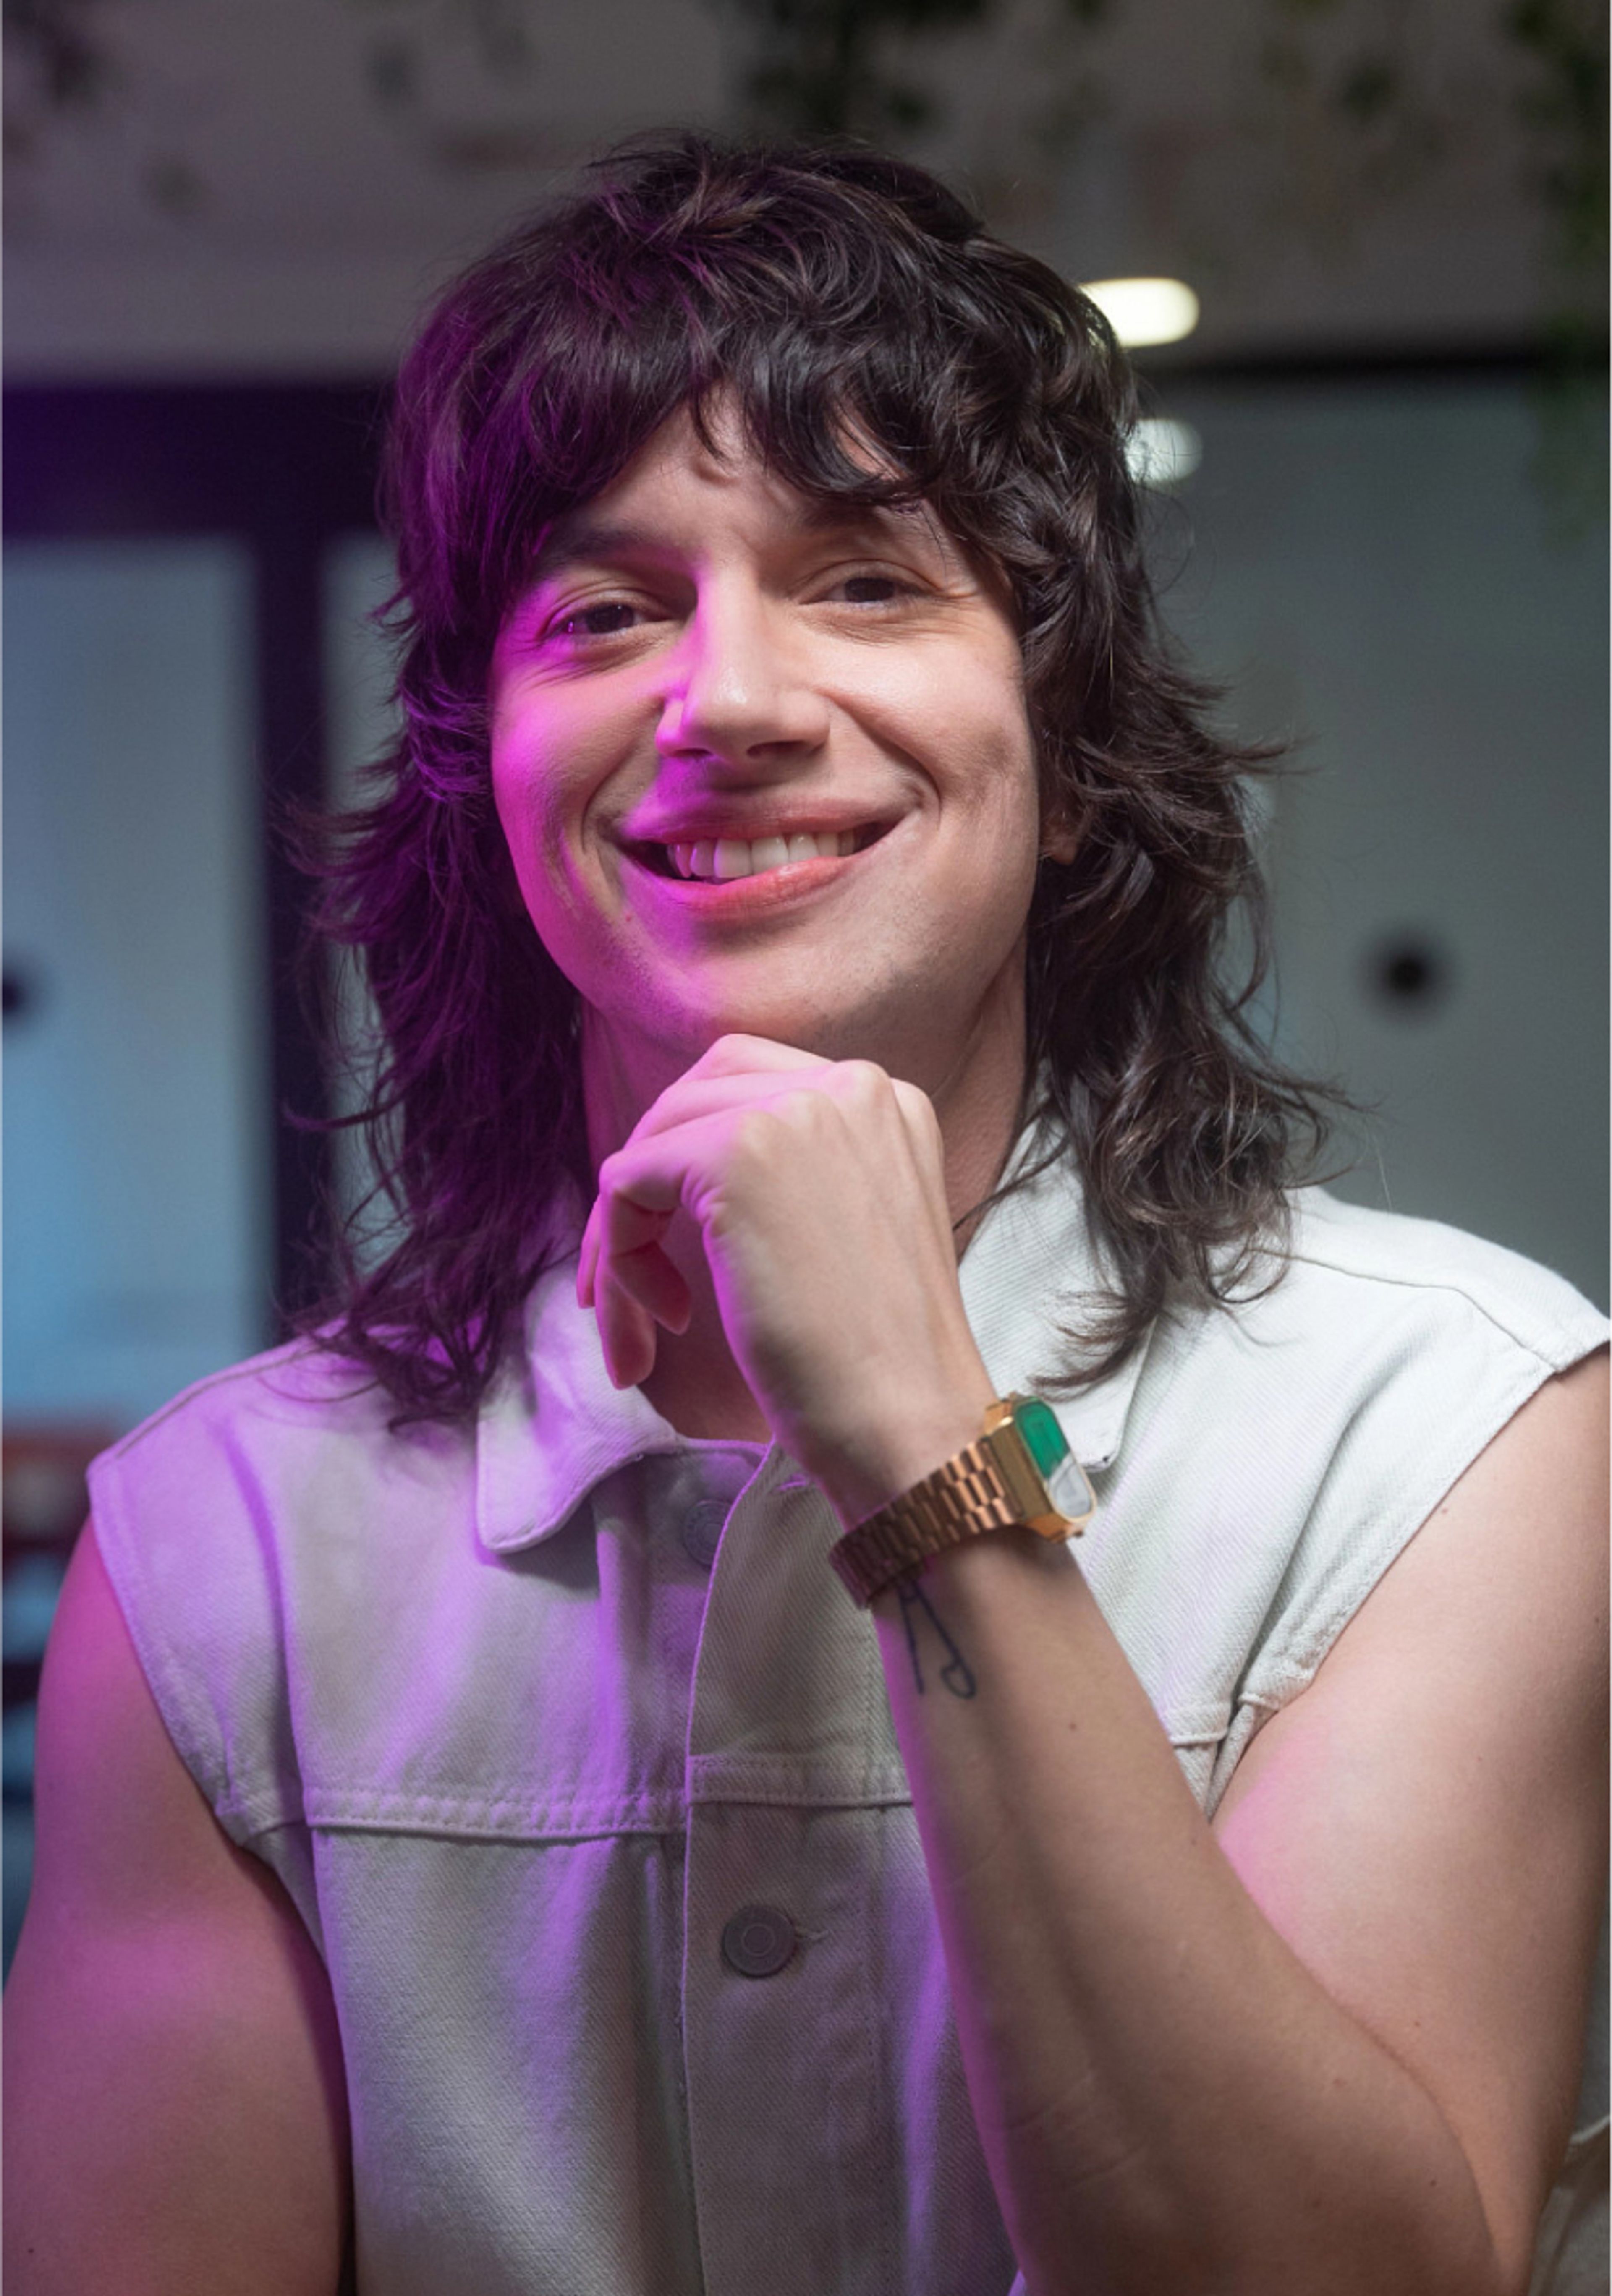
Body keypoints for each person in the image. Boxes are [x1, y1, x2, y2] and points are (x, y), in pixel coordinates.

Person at [4, 134, 1606, 2296]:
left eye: (866, 578)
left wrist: (921, 1437)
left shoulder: (1452, 1430)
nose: (730, 701)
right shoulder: (226, 1552)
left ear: (1064, 756)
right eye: (604, 610)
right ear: (494, 784)